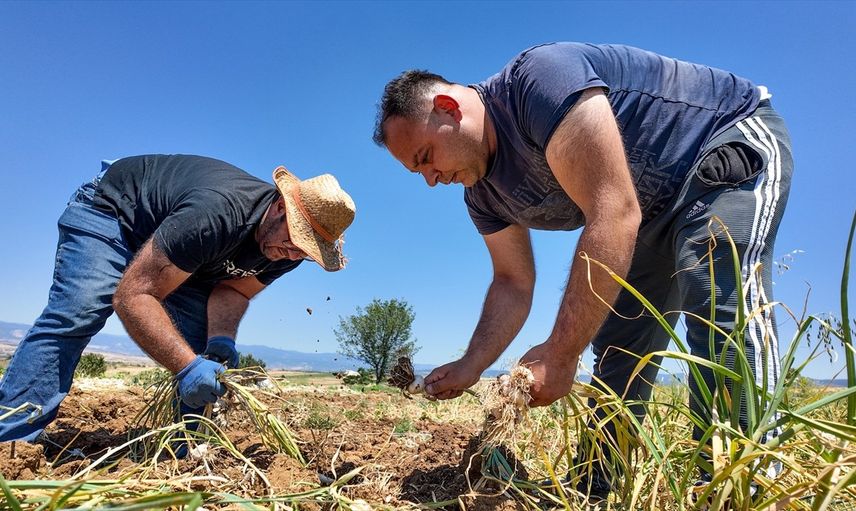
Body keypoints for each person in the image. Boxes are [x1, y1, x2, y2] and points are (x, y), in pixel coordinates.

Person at [373, 42, 791, 499]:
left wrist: (561, 350)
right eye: (418, 173)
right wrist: (471, 365)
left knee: (716, 301)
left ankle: (741, 483)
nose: (431, 179)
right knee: (620, 345)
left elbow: (612, 212)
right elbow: (513, 281)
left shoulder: (538, 83)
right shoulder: (483, 196)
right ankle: (595, 489)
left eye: (426, 157)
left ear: (448, 108)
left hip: (719, 148)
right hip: (644, 215)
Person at [0, 154, 356, 442]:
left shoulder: (286, 252)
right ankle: (12, 440)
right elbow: (133, 295)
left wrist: (220, 340)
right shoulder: (218, 214)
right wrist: (187, 368)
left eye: (306, 252)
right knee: (78, 312)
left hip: (189, 257)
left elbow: (233, 288)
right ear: (279, 207)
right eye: (295, 241)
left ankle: (186, 448)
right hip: (118, 215)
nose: (293, 254)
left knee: (199, 348)